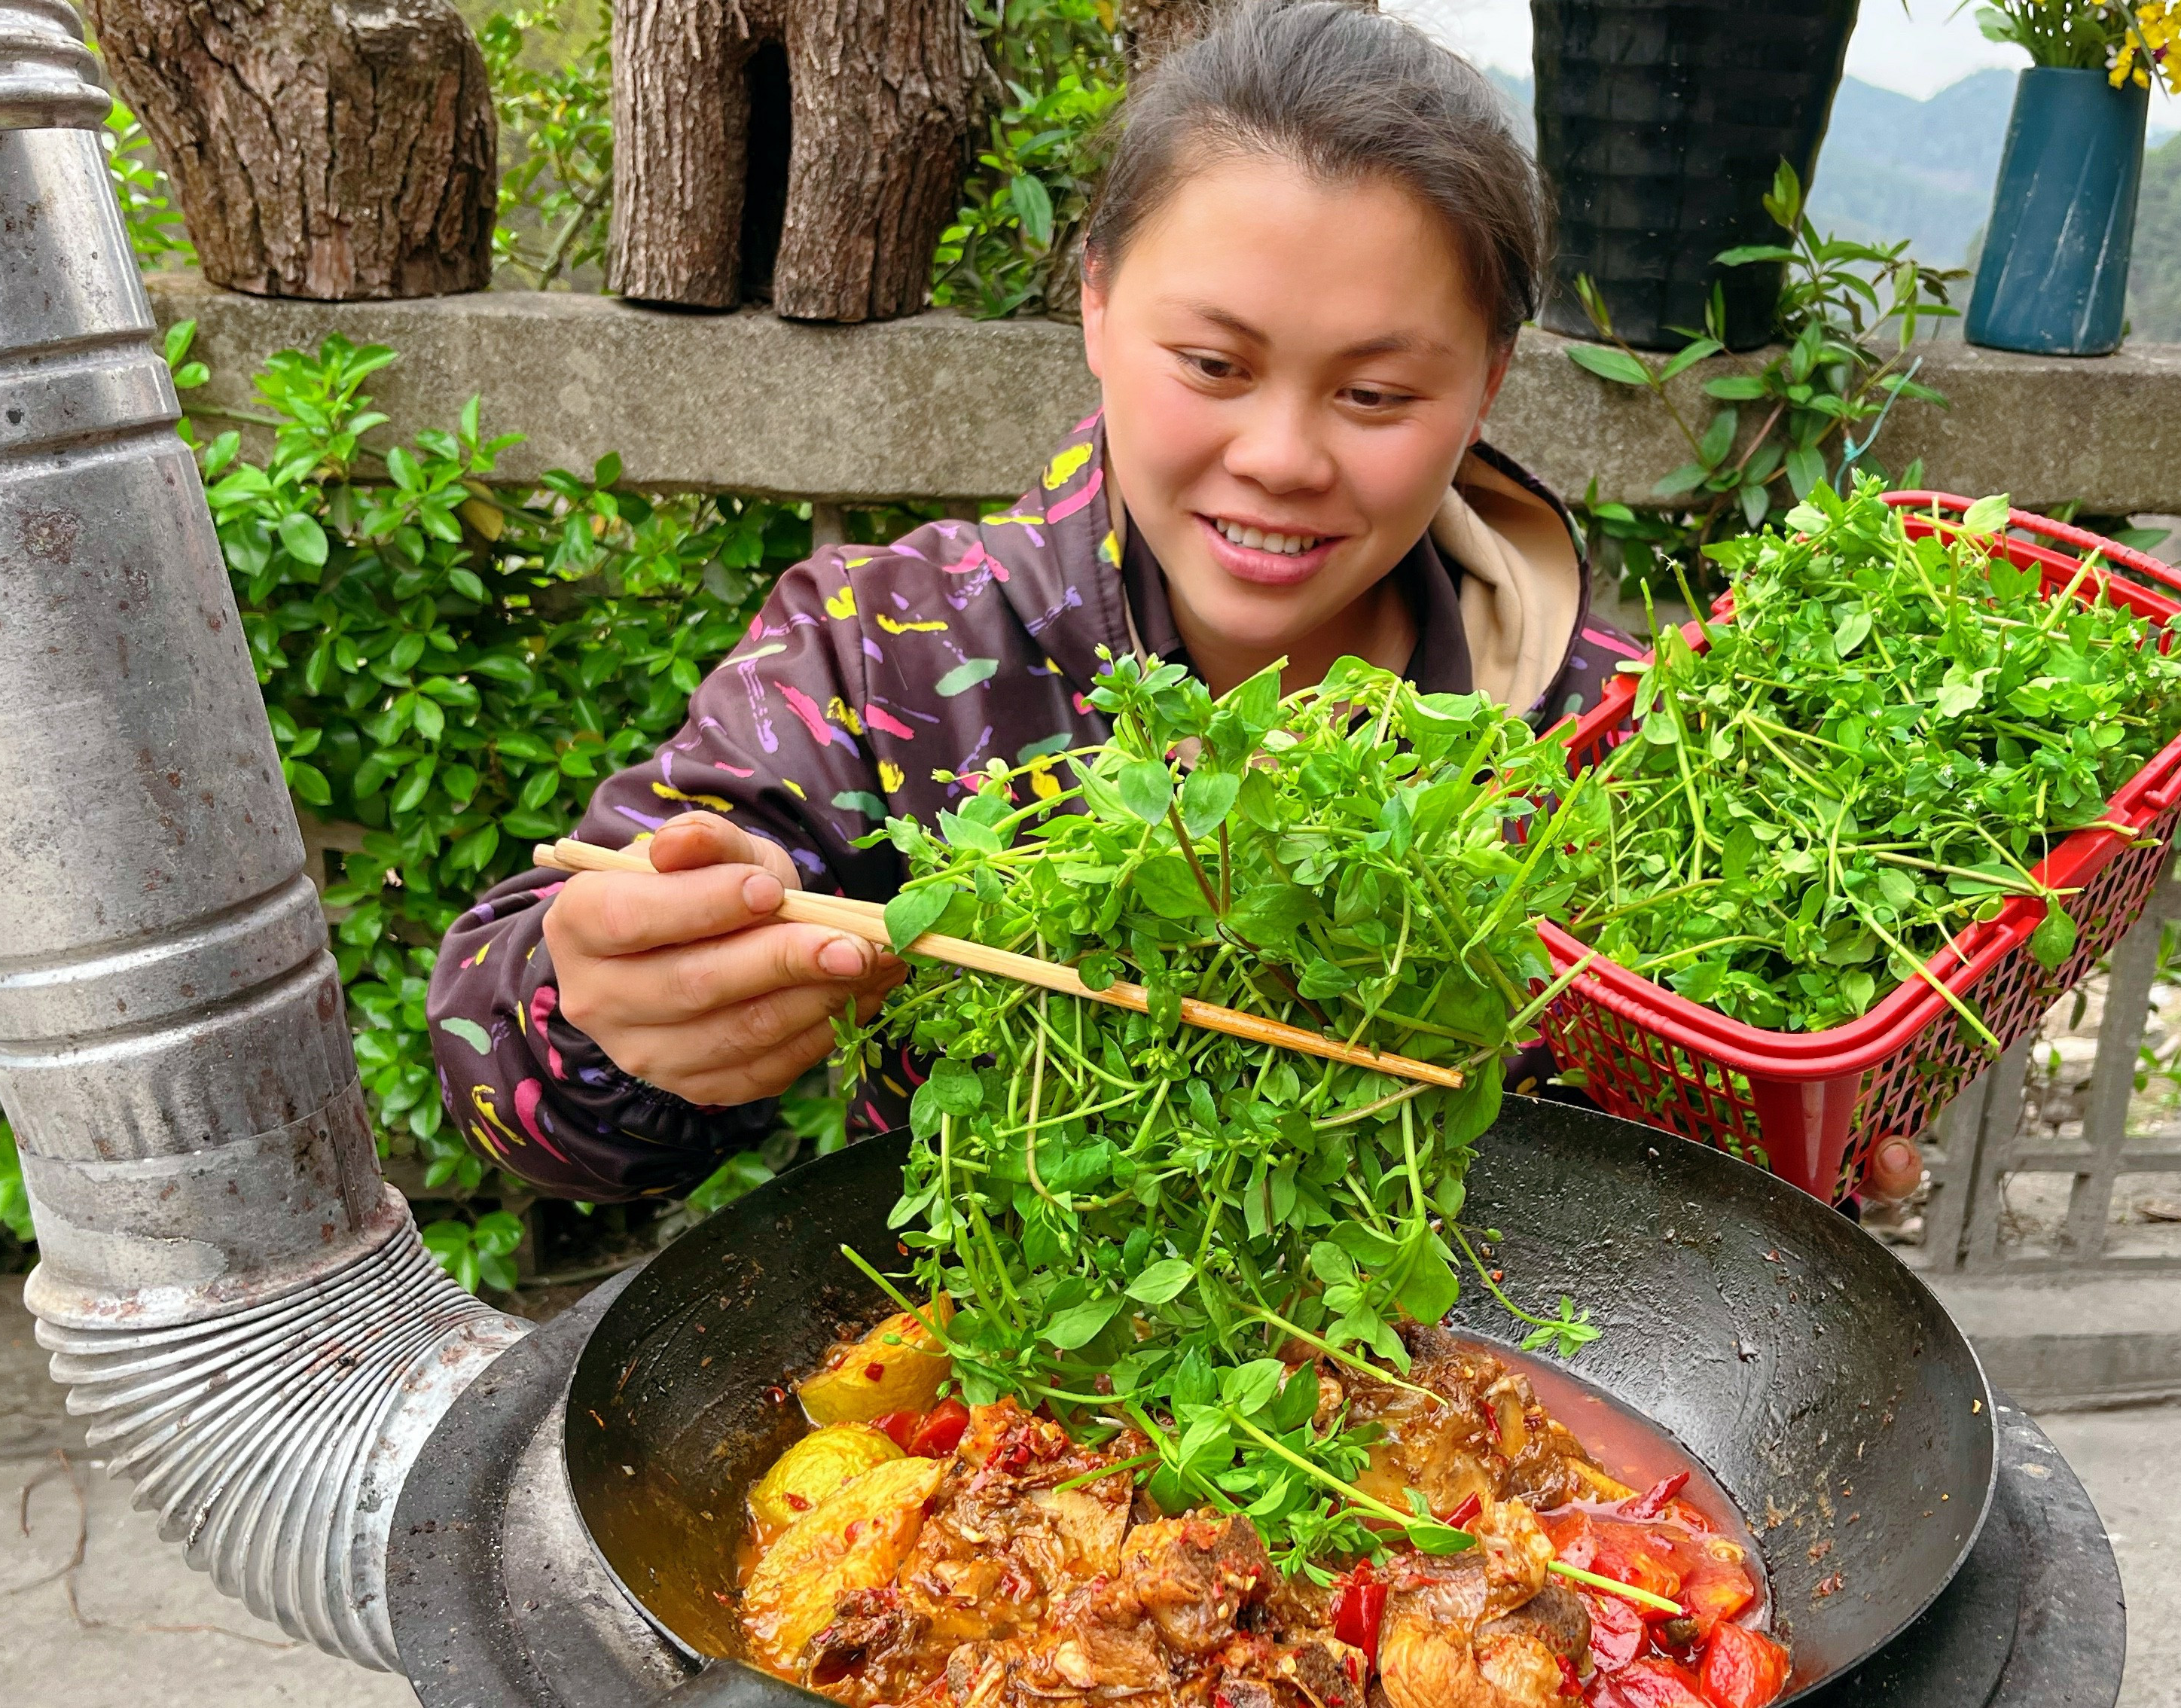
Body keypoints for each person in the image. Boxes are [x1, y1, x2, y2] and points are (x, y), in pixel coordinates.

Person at [427, 0, 1649, 1201]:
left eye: (1377, 395)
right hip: (996, 1378)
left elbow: (1709, 1211)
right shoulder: (882, 653)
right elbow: (507, 1063)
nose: (1282, 457)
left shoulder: (1618, 736)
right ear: (1099, 305)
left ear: (1486, 384)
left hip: (1475, 1375)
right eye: (1215, 366)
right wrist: (596, 1002)